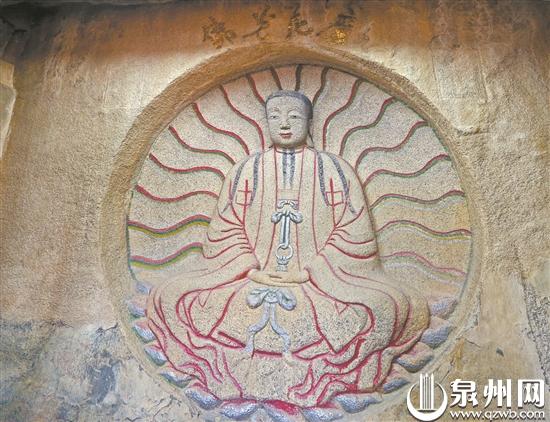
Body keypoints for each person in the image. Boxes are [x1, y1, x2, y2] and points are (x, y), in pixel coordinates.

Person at [146, 90, 429, 407]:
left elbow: (355, 232)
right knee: (172, 297)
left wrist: (312, 271)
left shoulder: (335, 170)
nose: (284, 124)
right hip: (250, 279)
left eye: (294, 116)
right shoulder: (245, 170)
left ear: (309, 121)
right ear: (265, 121)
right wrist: (249, 267)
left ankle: (319, 376)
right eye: (275, 117)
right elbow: (225, 228)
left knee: (384, 307)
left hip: (322, 284)